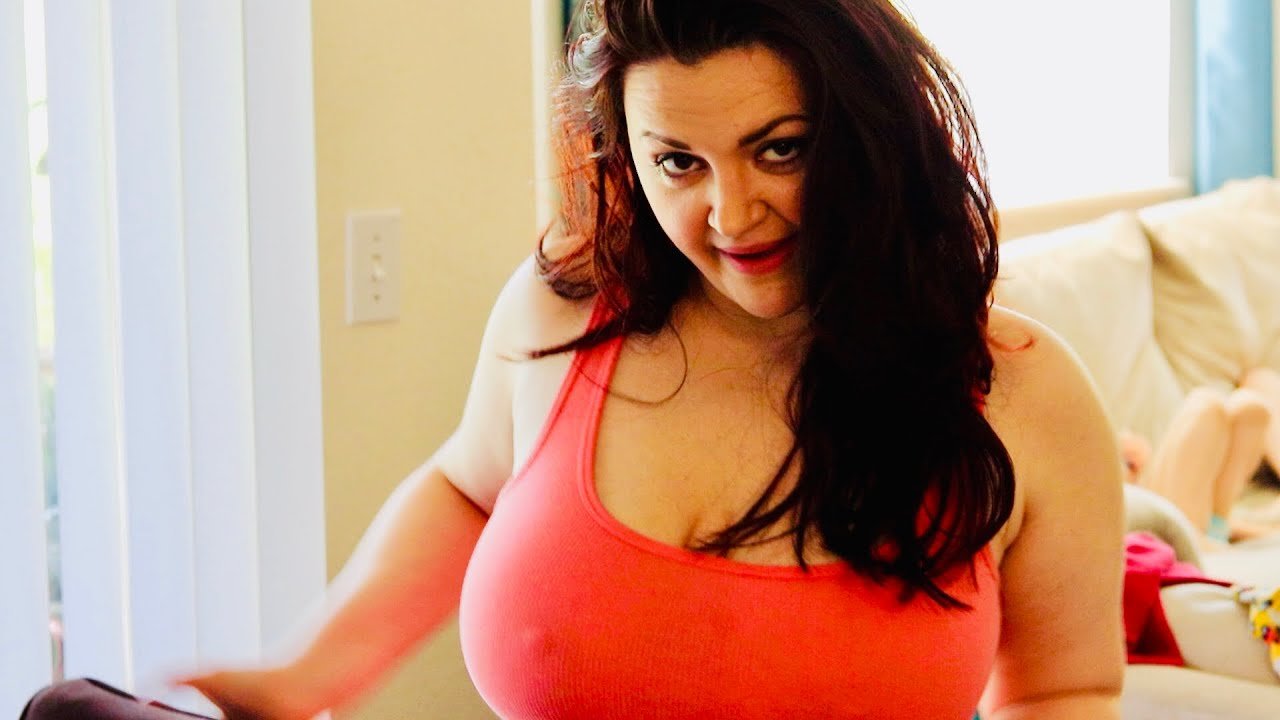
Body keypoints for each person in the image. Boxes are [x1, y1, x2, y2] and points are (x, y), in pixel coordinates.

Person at [174, 1, 1125, 718]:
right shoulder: (560, 311)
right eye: (679, 162)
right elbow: (469, 486)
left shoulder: (1024, 391)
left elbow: (1063, 691)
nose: (731, 214)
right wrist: (303, 680)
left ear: (875, 140)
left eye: (781, 150)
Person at [1121, 371, 1280, 549]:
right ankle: (1201, 536)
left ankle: (1208, 533)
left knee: (1252, 409)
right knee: (1208, 406)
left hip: (1209, 522)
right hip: (1174, 518)